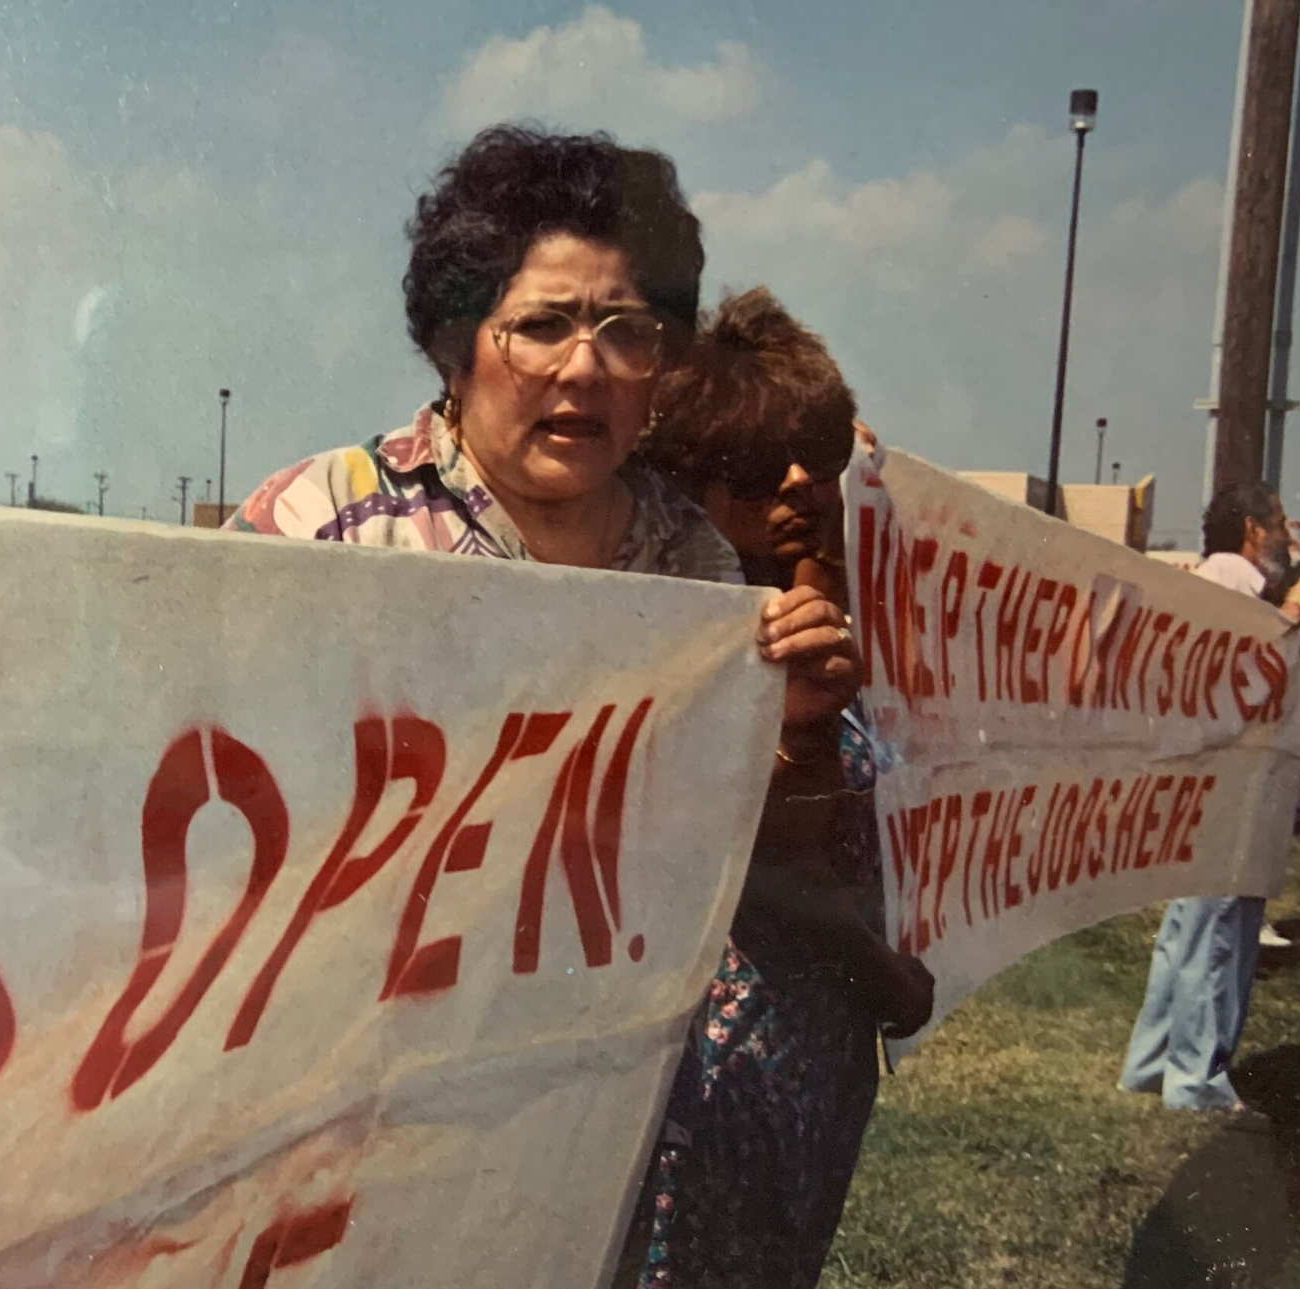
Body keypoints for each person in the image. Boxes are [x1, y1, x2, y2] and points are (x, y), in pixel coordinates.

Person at [227, 125, 857, 728]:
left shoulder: (696, 562)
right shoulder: (319, 524)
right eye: (541, 327)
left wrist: (792, 730)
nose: (585, 368)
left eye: (627, 333)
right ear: (454, 353)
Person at [613, 288, 933, 1289]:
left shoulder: (819, 595)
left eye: (819, 458)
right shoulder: (694, 627)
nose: (798, 481)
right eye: (754, 469)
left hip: (817, 1051)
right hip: (725, 1072)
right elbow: (755, 866)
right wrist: (881, 974)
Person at [1119, 482, 1296, 1111]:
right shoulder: (1237, 590)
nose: (1286, 537)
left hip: (1200, 772)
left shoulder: (1205, 583)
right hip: (1228, 775)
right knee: (1220, 930)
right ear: (1253, 529)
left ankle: (1153, 1062)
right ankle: (1196, 1081)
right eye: (1278, 524)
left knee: (1190, 926)